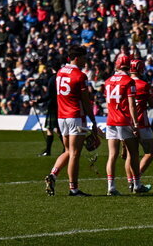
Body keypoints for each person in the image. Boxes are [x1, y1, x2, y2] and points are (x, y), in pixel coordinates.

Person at [44, 45, 98, 197]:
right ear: (77, 58)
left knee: (68, 151)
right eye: (84, 57)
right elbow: (86, 101)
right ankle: (73, 189)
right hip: (75, 116)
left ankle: (53, 175)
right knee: (75, 153)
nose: (86, 61)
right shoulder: (80, 76)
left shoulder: (60, 72)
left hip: (62, 116)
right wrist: (93, 120)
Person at [102, 54, 146, 195]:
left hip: (111, 120)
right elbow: (132, 105)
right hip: (123, 120)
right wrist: (135, 124)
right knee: (133, 153)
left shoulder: (108, 81)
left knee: (112, 155)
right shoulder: (129, 81)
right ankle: (137, 184)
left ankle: (111, 186)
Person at [127, 59, 153, 191]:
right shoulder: (143, 85)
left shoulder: (124, 83)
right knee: (150, 153)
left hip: (126, 123)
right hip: (141, 122)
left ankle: (130, 182)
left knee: (130, 155)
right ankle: (136, 180)